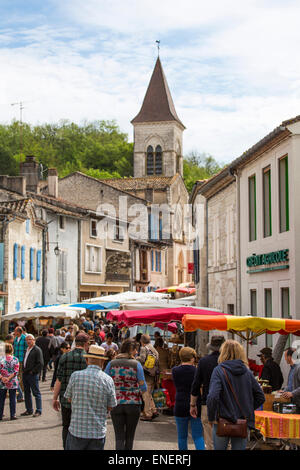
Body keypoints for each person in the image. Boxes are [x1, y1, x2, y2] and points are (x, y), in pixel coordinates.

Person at [206, 339, 265, 451]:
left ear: (222, 352)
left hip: (222, 419)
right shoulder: (247, 372)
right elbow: (260, 396)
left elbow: (212, 396)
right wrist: (246, 409)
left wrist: (211, 417)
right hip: (242, 421)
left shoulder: (218, 371)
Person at [64, 344, 117, 450]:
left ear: (87, 360)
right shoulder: (108, 380)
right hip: (97, 432)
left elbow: (69, 398)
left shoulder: (75, 376)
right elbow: (111, 406)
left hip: (77, 429)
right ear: (102, 362)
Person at [105, 338, 147, 450]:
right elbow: (143, 387)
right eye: (135, 350)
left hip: (116, 403)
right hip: (133, 403)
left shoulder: (111, 364)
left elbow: (104, 381)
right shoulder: (136, 365)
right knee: (130, 436)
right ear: (130, 350)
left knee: (119, 436)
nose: (137, 352)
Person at [52, 332, 89, 449]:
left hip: (65, 398)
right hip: (82, 399)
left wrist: (54, 398)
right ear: (86, 344)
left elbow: (59, 379)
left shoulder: (65, 356)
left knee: (66, 426)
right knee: (81, 427)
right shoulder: (88, 359)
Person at [190, 335, 225, 450]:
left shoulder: (204, 361)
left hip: (207, 402)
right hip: (227, 403)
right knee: (226, 436)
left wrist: (193, 404)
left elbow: (196, 384)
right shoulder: (228, 361)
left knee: (209, 438)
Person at [172, 347, 204, 450]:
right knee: (198, 435)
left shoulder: (175, 370)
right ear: (192, 358)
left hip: (180, 403)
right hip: (195, 403)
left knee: (182, 436)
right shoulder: (196, 371)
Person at [136, 334, 159, 421]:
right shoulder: (154, 349)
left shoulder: (143, 348)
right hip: (153, 373)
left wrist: (135, 358)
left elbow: (142, 359)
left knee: (145, 393)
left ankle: (148, 414)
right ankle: (154, 410)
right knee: (149, 393)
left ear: (141, 341)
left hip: (146, 374)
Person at [21, 334, 44, 417]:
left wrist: (33, 372)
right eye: (27, 340)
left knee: (36, 393)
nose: (28, 341)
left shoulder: (37, 350)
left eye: (30, 339)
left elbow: (40, 363)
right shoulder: (26, 349)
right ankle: (29, 409)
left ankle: (39, 410)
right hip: (25, 374)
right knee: (26, 393)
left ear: (34, 340)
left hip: (32, 374)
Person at [0, 343, 19, 420]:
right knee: (12, 398)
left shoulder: (1, 359)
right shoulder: (15, 359)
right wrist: (9, 378)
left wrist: (2, 378)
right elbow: (16, 371)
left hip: (2, 381)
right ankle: (13, 414)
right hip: (12, 381)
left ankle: (0, 415)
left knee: (1, 399)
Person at [13, 326, 28, 402]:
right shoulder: (15, 339)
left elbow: (27, 348)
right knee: (16, 375)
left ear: (19, 332)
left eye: (15, 331)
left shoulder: (24, 338)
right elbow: (14, 348)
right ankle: (18, 392)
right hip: (16, 359)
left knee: (21, 375)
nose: (14, 332)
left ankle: (21, 391)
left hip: (22, 359)